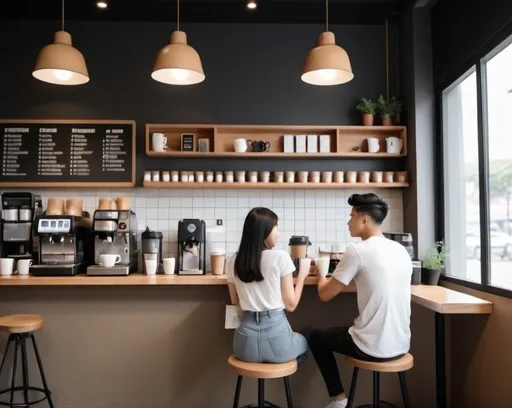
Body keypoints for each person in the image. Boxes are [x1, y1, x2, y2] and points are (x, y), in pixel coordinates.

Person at [308, 193, 413, 408]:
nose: (348, 222)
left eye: (351, 216)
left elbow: (325, 294)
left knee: (317, 337)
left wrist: (320, 272)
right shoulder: (400, 250)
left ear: (364, 220)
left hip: (372, 347)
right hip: (401, 344)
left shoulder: (356, 251)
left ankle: (338, 400)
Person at [226, 207, 310, 364]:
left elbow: (235, 302)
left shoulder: (232, 261)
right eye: (276, 227)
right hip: (278, 341)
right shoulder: (281, 257)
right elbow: (290, 305)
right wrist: (302, 277)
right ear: (263, 231)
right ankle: (286, 370)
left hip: (244, 347)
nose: (278, 233)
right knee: (308, 339)